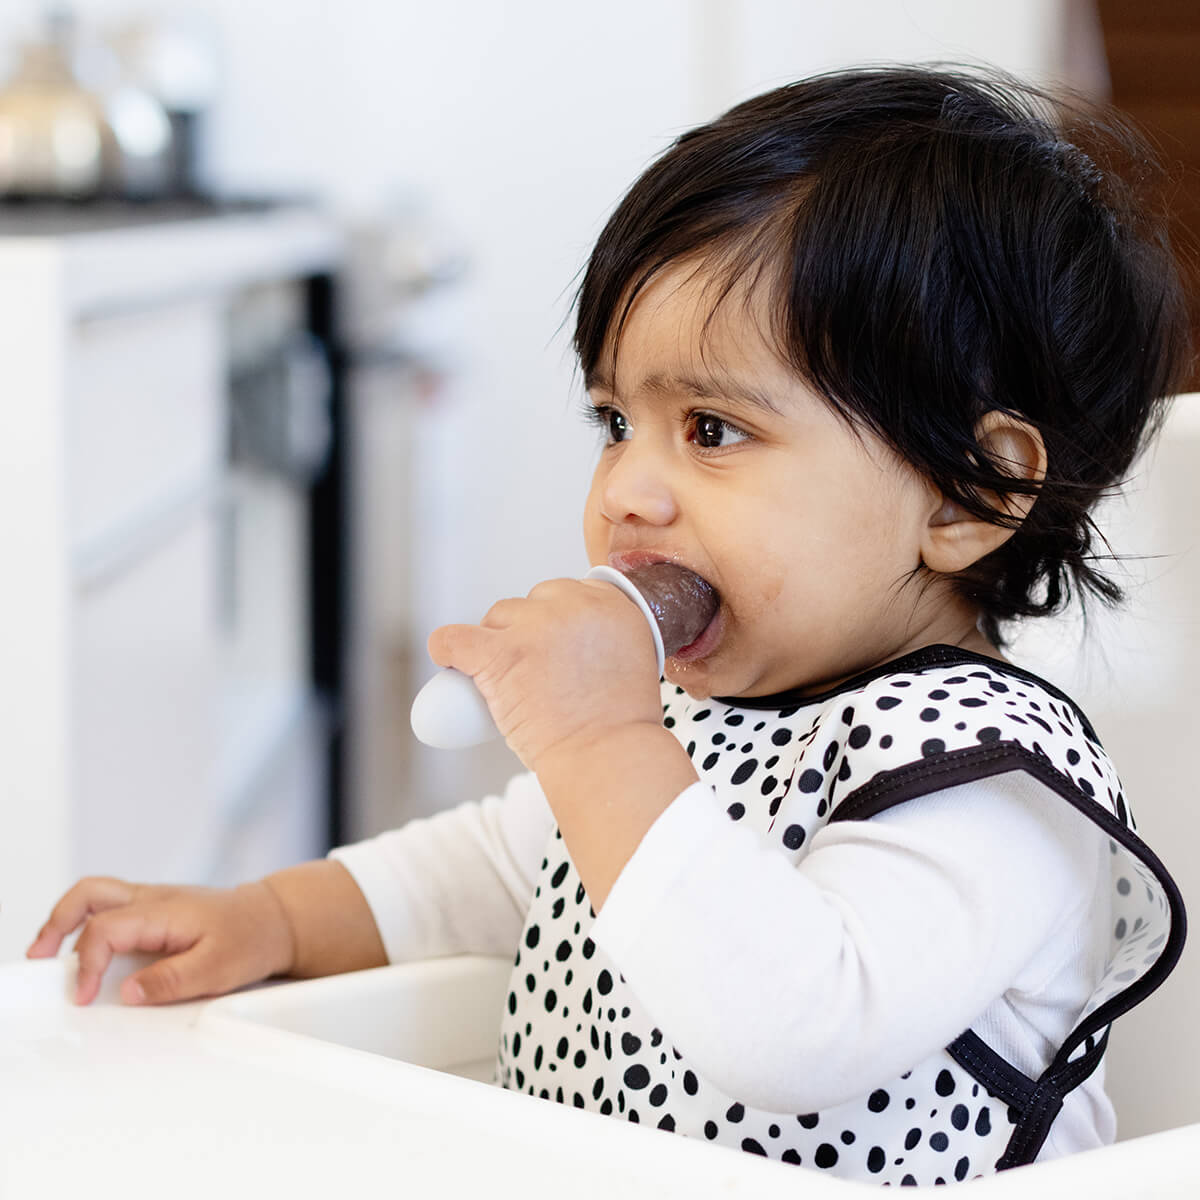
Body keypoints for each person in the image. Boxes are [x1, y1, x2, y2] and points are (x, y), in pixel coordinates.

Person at [28, 66, 1189, 1186]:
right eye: (615, 422)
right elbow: (490, 865)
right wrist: (269, 918)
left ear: (964, 494)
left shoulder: (986, 785)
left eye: (714, 430)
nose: (629, 488)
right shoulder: (696, 722)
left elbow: (797, 1026)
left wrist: (600, 743)